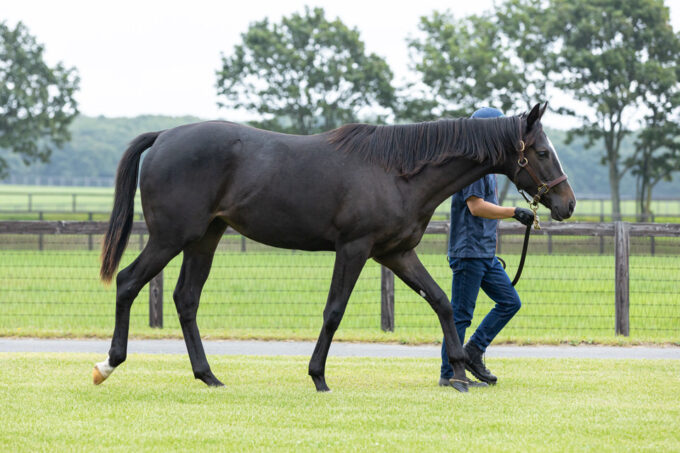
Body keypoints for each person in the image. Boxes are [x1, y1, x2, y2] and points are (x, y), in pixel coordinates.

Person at [439, 107, 534, 388]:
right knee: (461, 313)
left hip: (484, 253)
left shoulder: (487, 167)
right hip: (468, 251)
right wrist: (513, 211)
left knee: (510, 302)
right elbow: (476, 207)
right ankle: (448, 372)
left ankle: (473, 352)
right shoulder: (472, 166)